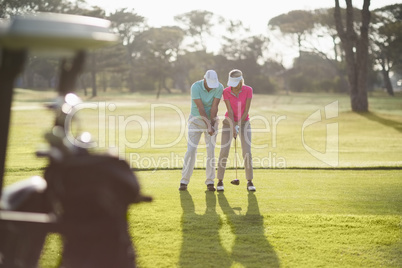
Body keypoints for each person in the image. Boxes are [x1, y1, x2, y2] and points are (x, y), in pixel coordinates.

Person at [179, 70, 224, 191]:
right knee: (191, 150)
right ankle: (184, 181)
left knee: (211, 151)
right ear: (204, 79)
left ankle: (210, 182)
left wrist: (213, 124)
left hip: (212, 120)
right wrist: (208, 125)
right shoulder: (196, 86)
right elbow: (200, 108)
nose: (211, 86)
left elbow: (214, 107)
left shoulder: (219, 87)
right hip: (196, 121)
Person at [216, 69, 256, 191]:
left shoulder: (248, 90)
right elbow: (231, 111)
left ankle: (249, 181)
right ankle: (220, 181)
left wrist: (238, 125)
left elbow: (246, 111)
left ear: (240, 81)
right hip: (229, 122)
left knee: (247, 152)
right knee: (224, 150)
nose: (232, 86)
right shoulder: (226, 92)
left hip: (244, 123)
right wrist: (233, 126)